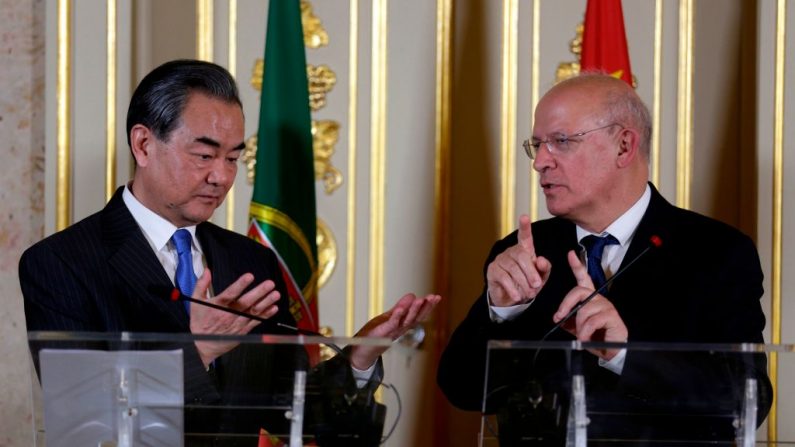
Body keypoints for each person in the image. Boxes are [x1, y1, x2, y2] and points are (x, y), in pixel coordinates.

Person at [20, 59, 440, 446]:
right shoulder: (61, 262)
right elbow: (81, 416)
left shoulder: (250, 262)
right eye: (204, 155)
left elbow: (296, 410)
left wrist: (361, 354)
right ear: (144, 145)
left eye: (234, 158)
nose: (221, 176)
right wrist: (198, 349)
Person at [437, 73, 771, 444]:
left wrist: (624, 354)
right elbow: (462, 390)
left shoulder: (715, 250)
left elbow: (746, 400)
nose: (540, 162)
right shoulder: (523, 251)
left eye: (561, 141)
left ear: (624, 146)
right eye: (536, 145)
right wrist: (501, 312)